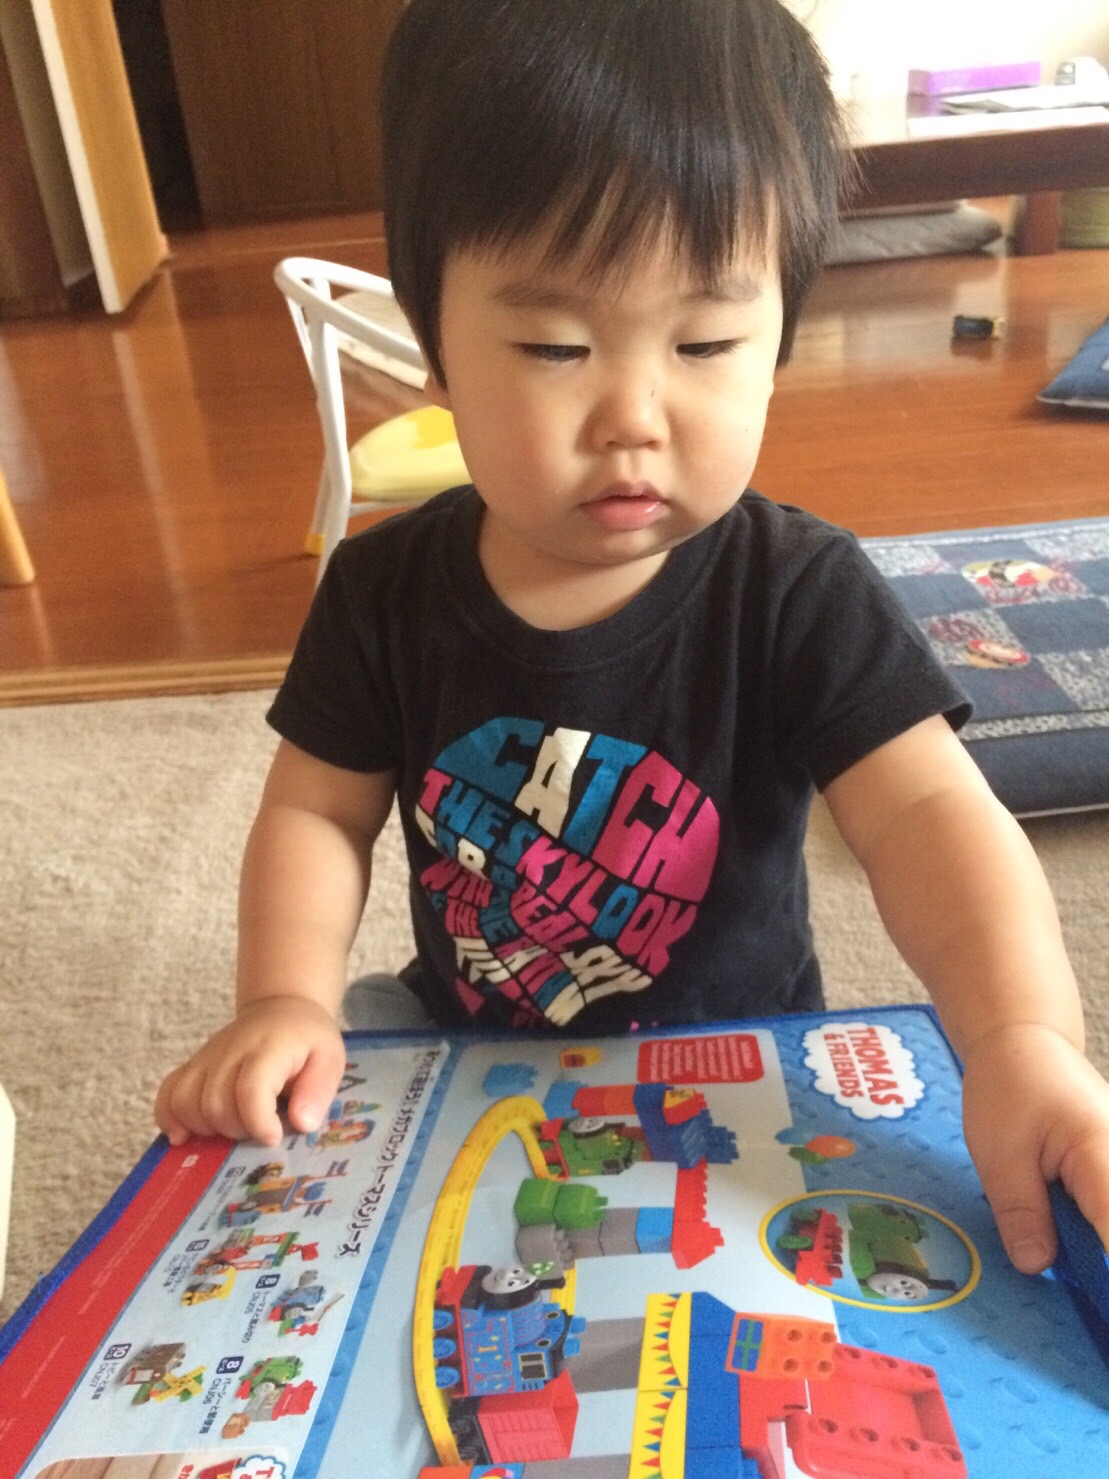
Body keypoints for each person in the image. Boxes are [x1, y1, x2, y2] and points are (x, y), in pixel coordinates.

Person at [155, 0, 1109, 1277]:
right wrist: (281, 1000)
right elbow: (317, 814)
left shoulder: (796, 588)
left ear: (779, 340)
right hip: (469, 1044)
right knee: (307, 1124)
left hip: (735, 1060)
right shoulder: (381, 589)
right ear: (434, 347)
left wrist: (1018, 1040)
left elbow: (928, 816)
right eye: (553, 345)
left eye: (704, 342)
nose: (632, 417)